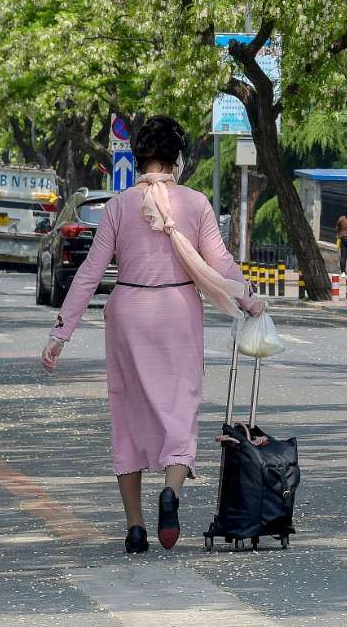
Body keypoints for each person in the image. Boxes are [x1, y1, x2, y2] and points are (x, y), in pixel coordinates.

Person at [41, 115, 263, 552]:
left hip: (128, 312)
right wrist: (248, 298)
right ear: (178, 160)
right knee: (181, 406)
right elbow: (219, 263)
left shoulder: (119, 206)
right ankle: (171, 494)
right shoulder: (196, 203)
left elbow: (89, 273)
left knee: (128, 415)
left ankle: (135, 528)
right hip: (178, 310)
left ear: (138, 157)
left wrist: (61, 331)